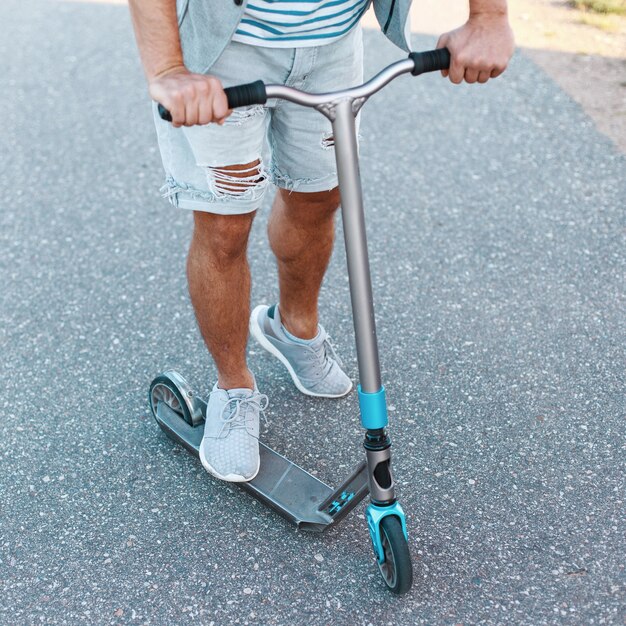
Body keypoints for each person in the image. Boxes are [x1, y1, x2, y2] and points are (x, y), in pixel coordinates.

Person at [129, 0, 514, 482]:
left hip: (332, 44)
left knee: (319, 199)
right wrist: (167, 68)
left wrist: (488, 18)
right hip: (221, 50)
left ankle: (294, 328)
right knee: (224, 226)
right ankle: (234, 387)